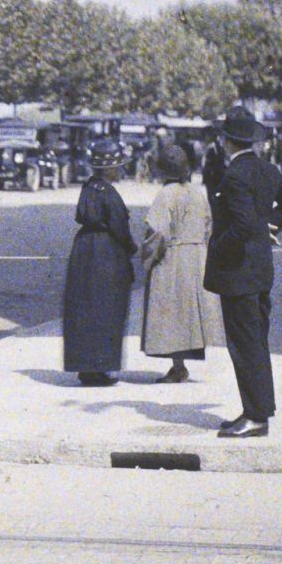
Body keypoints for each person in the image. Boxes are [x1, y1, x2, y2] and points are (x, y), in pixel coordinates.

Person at [203, 105, 282, 439]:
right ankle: (257, 409)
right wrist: (270, 225)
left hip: (238, 272)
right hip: (259, 270)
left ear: (226, 140)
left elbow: (243, 225)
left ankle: (256, 416)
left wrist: (217, 247)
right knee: (255, 343)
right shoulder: (267, 169)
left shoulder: (234, 175)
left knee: (245, 346)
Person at [139, 141, 220, 382]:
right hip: (196, 258)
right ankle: (180, 364)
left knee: (172, 312)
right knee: (189, 313)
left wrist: (148, 257)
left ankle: (178, 366)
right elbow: (209, 226)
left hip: (173, 257)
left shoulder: (165, 195)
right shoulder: (197, 193)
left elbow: (157, 231)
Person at [62, 138, 136, 386]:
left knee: (84, 308)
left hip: (84, 249)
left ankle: (85, 366)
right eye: (118, 166)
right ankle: (100, 366)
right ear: (109, 168)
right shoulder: (109, 194)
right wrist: (131, 248)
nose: (120, 170)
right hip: (107, 253)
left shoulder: (88, 188)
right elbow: (120, 227)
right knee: (107, 308)